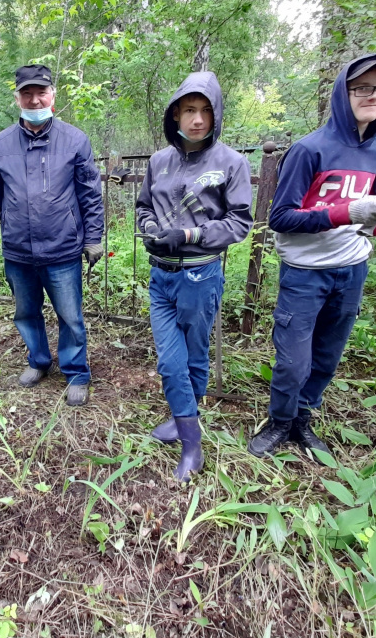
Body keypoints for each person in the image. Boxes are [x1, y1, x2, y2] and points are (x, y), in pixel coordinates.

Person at [248, 52, 376, 458]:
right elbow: (282, 217)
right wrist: (350, 212)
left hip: (352, 268)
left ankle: (303, 420)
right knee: (292, 361)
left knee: (327, 355)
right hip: (306, 272)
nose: (372, 95)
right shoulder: (309, 150)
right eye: (361, 88)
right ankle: (280, 422)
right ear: (344, 92)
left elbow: (368, 210)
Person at [135, 71, 254, 481]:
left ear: (216, 114)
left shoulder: (231, 163)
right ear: (176, 114)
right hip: (160, 277)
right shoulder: (158, 162)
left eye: (205, 110)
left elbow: (240, 223)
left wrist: (189, 234)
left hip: (200, 276)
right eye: (189, 110)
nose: (197, 119)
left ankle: (187, 432)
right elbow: (143, 207)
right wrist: (151, 231)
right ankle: (189, 432)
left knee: (195, 357)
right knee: (171, 361)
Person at [0, 64, 105, 406]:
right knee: (26, 313)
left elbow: (90, 194)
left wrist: (93, 238)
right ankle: (38, 361)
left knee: (70, 316)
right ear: (17, 98)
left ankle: (76, 372)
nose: (34, 100)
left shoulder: (75, 140)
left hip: (62, 249)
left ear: (52, 96)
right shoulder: (1, 144)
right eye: (27, 94)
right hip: (18, 251)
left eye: (41, 93)